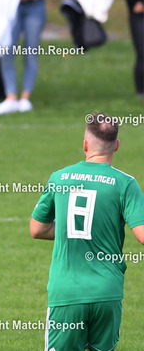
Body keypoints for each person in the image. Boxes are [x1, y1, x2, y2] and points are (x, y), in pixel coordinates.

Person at [30, 113, 144, 350]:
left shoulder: (59, 178)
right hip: (107, 292)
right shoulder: (125, 183)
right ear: (117, 145)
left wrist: (69, 229)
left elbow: (37, 229)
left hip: (67, 292)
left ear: (85, 145)